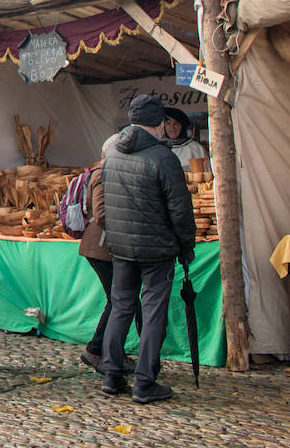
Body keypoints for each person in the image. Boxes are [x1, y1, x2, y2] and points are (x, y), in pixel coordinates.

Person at [100, 94, 197, 404]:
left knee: (121, 307)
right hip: (156, 248)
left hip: (122, 246)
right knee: (153, 312)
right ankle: (144, 381)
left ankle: (112, 375)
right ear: (157, 125)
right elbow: (180, 210)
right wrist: (186, 246)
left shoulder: (113, 152)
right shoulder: (163, 157)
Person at [78, 149, 139, 373]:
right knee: (119, 300)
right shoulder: (103, 174)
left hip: (107, 246)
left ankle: (107, 351)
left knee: (119, 300)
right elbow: (101, 213)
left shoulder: (109, 171)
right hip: (102, 247)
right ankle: (98, 351)